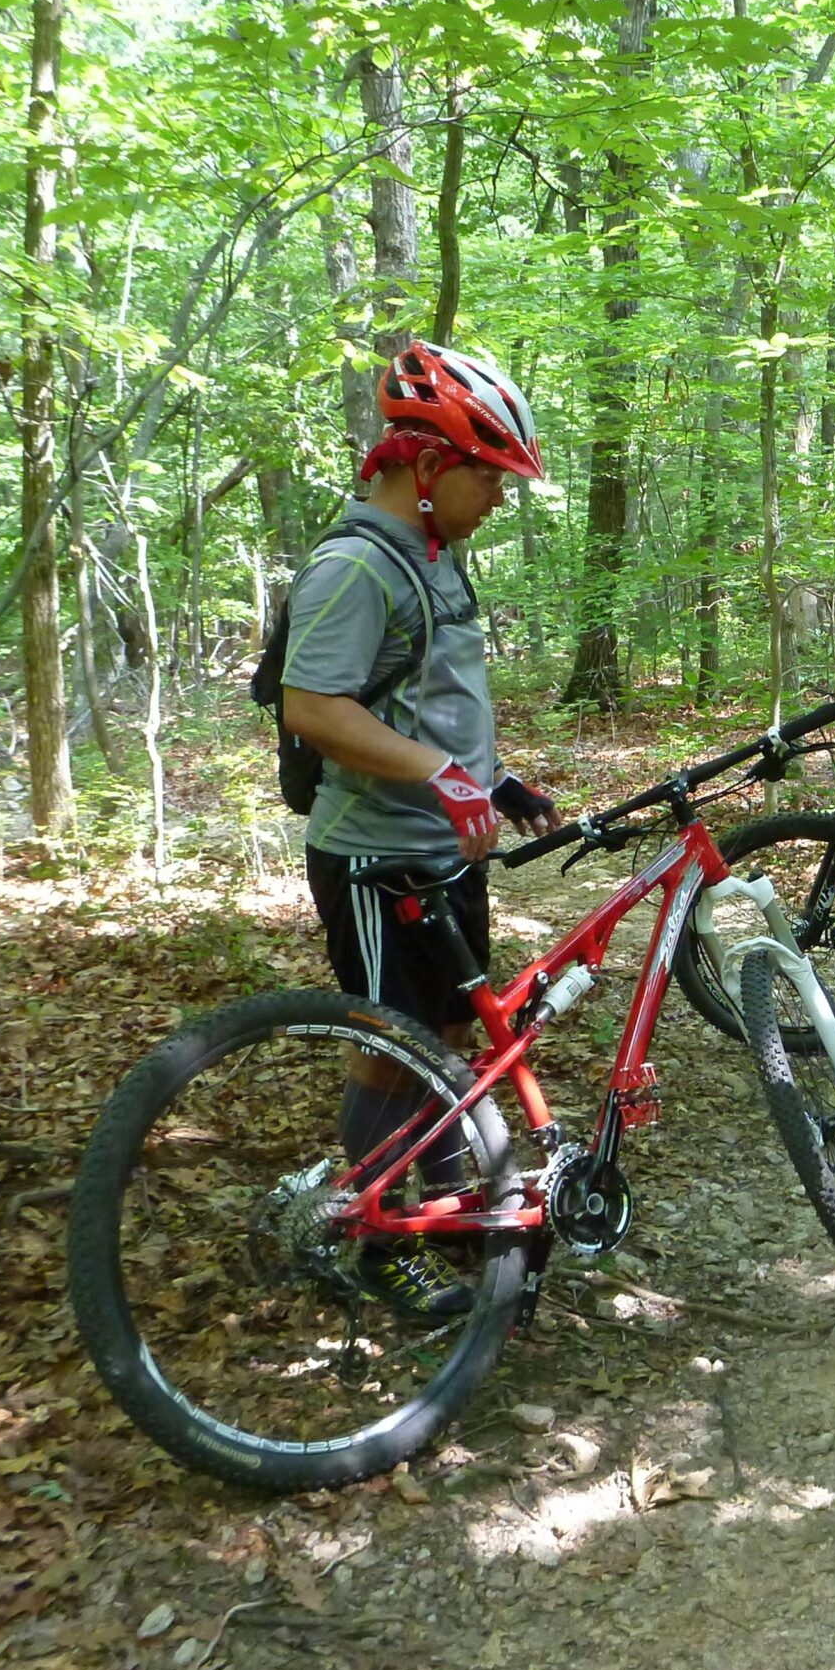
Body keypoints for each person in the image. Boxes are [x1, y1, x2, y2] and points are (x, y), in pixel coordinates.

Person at [279, 342, 565, 1320]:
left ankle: (450, 1221)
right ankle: (369, 1234)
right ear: (428, 465)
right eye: (489, 475)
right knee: (389, 1050)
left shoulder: (430, 558)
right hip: (374, 855)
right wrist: (440, 776)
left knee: (448, 1041)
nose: (499, 496)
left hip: (438, 852)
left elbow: (419, 703)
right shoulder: (356, 565)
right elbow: (314, 707)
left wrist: (494, 778)